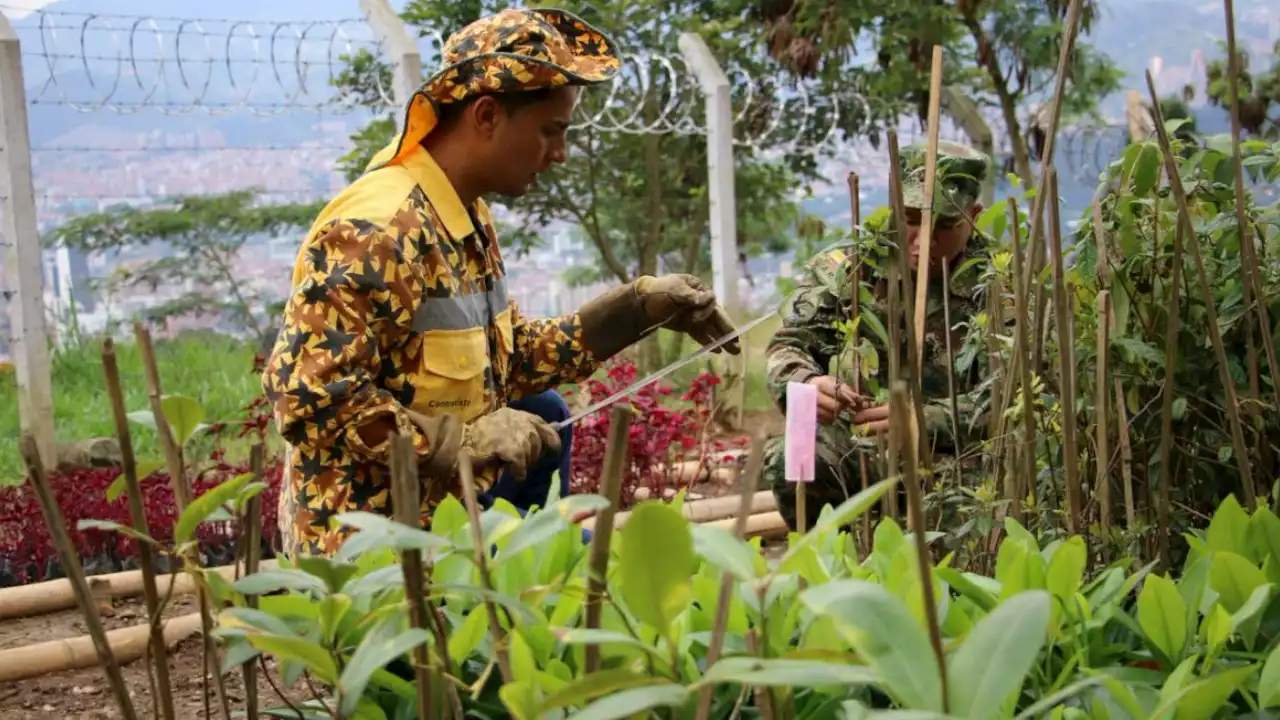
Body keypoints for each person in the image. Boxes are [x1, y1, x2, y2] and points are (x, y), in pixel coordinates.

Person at [262, 7, 738, 559]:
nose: (559, 153)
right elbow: (310, 399)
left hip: (454, 532)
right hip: (377, 563)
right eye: (550, 131)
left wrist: (636, 311)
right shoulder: (379, 228)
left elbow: (501, 363)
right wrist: (457, 442)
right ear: (486, 116)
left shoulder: (464, 217)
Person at [762, 140, 994, 532]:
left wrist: (927, 421)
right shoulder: (851, 268)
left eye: (943, 224)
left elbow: (1024, 397)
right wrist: (807, 382)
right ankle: (828, 569)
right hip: (865, 443)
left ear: (973, 216)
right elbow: (788, 346)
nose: (922, 240)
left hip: (958, 453)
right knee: (796, 453)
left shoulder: (1003, 283)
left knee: (954, 523)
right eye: (910, 219)